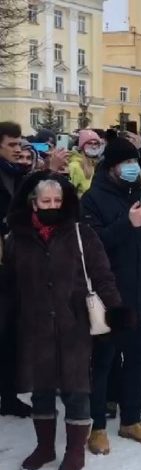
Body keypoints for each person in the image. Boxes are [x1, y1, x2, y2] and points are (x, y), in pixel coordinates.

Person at [5, 172, 128, 470]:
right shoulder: (16, 239)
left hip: (74, 324)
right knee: (41, 390)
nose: (52, 205)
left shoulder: (81, 234)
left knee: (76, 390)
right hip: (34, 327)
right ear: (33, 203)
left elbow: (102, 275)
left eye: (57, 200)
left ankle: (75, 452)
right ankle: (45, 447)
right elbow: (9, 285)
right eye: (46, 201)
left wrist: (115, 310)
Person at [82, 137, 141, 453]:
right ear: (112, 167)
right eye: (126, 163)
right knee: (103, 363)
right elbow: (91, 247)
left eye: (135, 162)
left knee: (137, 361)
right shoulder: (93, 200)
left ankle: (131, 420)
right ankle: (97, 427)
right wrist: (127, 224)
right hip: (110, 299)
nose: (133, 168)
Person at [0, 121, 32, 419]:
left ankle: (9, 396)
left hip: (15, 266)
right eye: (11, 144)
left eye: (19, 144)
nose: (17, 149)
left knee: (12, 334)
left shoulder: (19, 176)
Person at [69, 130, 104, 197]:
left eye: (96, 143)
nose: (93, 147)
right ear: (82, 146)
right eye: (89, 143)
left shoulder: (96, 164)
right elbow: (69, 193)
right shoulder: (75, 166)